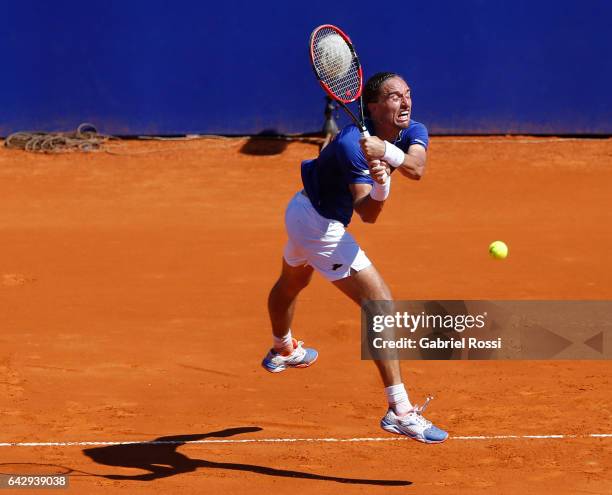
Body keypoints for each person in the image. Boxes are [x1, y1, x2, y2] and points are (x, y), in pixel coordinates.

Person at [261, 72, 448, 444]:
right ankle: (400, 410)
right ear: (373, 106)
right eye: (395, 98)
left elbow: (417, 168)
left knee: (293, 281)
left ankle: (283, 349)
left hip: (301, 213)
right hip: (317, 223)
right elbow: (369, 214)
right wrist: (378, 181)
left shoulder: (412, 130)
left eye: (408, 94)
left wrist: (384, 169)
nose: (406, 103)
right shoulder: (351, 145)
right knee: (379, 303)